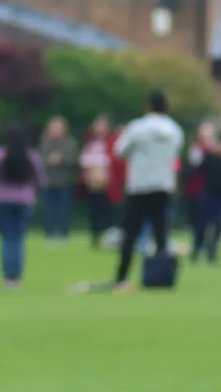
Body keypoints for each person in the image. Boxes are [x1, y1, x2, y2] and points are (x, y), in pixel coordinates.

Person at [111, 92, 184, 290]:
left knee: (131, 233)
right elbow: (176, 152)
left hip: (139, 185)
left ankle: (122, 277)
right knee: (161, 232)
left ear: (148, 106)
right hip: (163, 185)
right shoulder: (175, 129)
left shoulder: (138, 127)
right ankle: (160, 276)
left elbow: (120, 151)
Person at [0, 125, 47, 288]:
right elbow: (40, 179)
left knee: (6, 238)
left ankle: (7, 277)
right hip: (24, 199)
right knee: (18, 238)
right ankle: (16, 276)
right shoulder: (32, 156)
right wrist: (34, 192)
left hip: (2, 199)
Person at [194, 130, 221, 265]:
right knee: (202, 225)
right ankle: (197, 249)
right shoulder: (210, 157)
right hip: (209, 195)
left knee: (218, 226)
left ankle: (212, 252)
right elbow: (199, 169)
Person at [79, 116, 118, 248]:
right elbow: (85, 160)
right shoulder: (90, 141)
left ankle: (108, 237)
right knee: (93, 210)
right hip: (92, 182)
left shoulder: (111, 141)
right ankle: (95, 236)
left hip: (107, 183)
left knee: (106, 210)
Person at [39, 116, 77, 241]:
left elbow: (74, 161)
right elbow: (38, 160)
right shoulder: (44, 143)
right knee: (47, 210)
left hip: (64, 182)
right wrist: (49, 160)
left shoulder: (70, 143)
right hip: (47, 182)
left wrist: (61, 159)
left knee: (63, 210)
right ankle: (48, 233)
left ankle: (63, 234)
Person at [185, 121, 215, 259]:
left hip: (210, 191)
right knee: (198, 222)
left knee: (210, 223)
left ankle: (209, 249)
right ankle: (197, 247)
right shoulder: (197, 149)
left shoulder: (213, 149)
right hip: (198, 191)